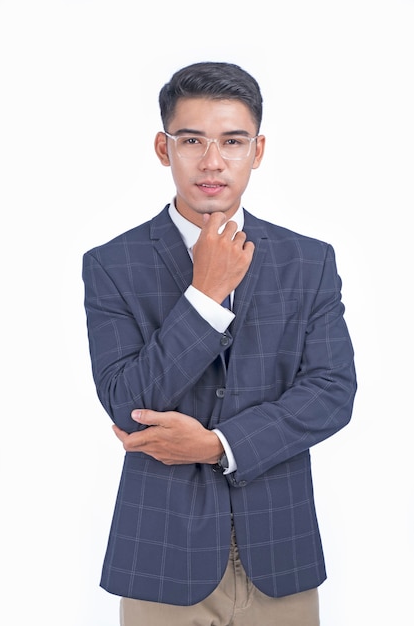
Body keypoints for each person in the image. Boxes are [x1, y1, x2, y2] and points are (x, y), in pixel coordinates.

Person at [82, 61, 357, 626]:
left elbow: (331, 393)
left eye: (232, 141)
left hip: (281, 550)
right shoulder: (112, 265)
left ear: (257, 151)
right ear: (164, 148)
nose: (212, 161)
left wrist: (219, 445)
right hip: (160, 554)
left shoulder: (309, 261)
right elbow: (126, 402)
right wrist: (204, 297)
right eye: (192, 140)